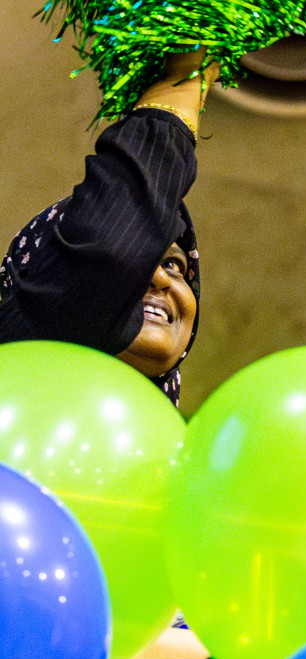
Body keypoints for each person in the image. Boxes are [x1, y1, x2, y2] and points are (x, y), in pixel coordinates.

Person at [0, 50, 217, 405]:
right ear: (37, 277)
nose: (160, 278)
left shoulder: (182, 451)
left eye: (175, 265)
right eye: (146, 257)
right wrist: (183, 80)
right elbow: (108, 254)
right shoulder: (18, 341)